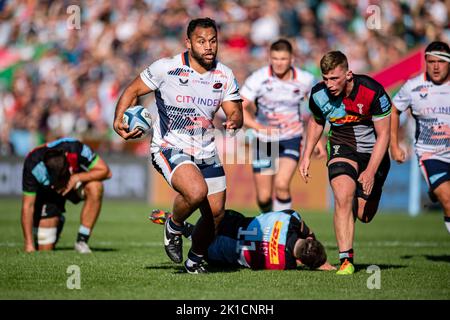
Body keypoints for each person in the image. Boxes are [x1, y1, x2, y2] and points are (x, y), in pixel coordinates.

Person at [112, 18, 243, 274]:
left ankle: (194, 261)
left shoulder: (224, 74)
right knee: (196, 192)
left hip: (206, 151)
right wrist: (118, 118)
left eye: (213, 41)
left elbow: (235, 111)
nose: (208, 47)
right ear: (188, 43)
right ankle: (174, 224)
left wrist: (234, 120)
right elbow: (133, 89)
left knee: (216, 214)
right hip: (169, 146)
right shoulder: (166, 68)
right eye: (201, 41)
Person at [299, 51, 392, 275]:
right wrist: (306, 155)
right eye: (326, 78)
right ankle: (346, 260)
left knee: (363, 215)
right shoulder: (319, 94)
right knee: (342, 196)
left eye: (335, 78)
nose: (329, 84)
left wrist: (370, 172)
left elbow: (384, 135)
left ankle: (364, 196)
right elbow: (317, 122)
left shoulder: (372, 91)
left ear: (348, 74)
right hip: (342, 145)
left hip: (373, 153)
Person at [240, 39, 325, 213]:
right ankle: (271, 223)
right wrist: (258, 127)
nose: (279, 63)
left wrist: (318, 140)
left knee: (281, 184)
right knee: (263, 198)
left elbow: (319, 111)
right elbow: (237, 108)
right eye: (275, 59)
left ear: (292, 59)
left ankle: (283, 228)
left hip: (291, 138)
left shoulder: (306, 80)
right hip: (265, 141)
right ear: (270, 58)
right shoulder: (259, 78)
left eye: (283, 59)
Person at [150, 209, 336, 271]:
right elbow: (296, 258)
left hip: (227, 219)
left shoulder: (290, 220)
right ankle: (183, 228)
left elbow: (306, 229)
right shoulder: (285, 263)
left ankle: (179, 224)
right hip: (217, 252)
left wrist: (312, 239)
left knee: (217, 231)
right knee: (220, 254)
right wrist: (318, 263)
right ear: (300, 261)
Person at [390, 41, 450, 233]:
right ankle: (437, 188)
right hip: (431, 154)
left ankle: (435, 189)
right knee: (448, 199)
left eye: (440, 62)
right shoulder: (413, 87)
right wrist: (394, 145)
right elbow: (394, 111)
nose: (435, 66)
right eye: (431, 61)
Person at [21, 137, 112, 253]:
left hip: (72, 185)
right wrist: (29, 245)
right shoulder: (32, 164)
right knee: (44, 250)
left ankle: (82, 241)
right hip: (48, 196)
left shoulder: (75, 148)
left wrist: (77, 177)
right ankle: (57, 220)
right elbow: (27, 206)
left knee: (95, 187)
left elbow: (106, 172)